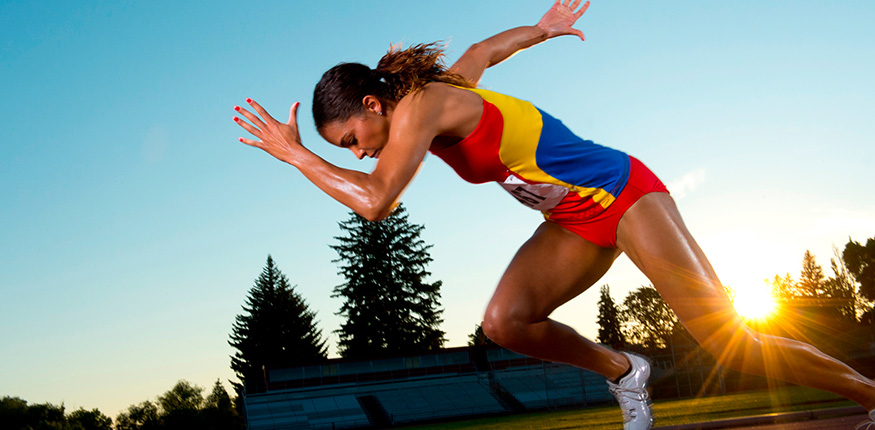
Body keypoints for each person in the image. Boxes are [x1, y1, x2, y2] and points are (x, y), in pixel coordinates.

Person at [233, 1, 875, 428]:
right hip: (572, 222)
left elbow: (376, 201)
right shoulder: (445, 92)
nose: (359, 151)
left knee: (727, 336)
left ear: (373, 105)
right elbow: (485, 49)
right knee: (505, 321)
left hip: (623, 194)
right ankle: (626, 372)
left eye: (351, 139)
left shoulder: (420, 107)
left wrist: (294, 157)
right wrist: (542, 29)